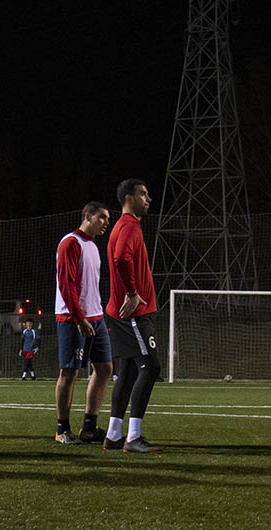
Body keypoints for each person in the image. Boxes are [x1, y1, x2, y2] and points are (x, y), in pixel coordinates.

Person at [103, 179, 161, 454]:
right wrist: (133, 292)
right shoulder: (128, 226)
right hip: (133, 313)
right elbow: (120, 259)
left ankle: (114, 435)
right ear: (128, 198)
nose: (148, 198)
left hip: (122, 312)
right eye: (143, 193)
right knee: (150, 367)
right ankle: (133, 437)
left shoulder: (128, 226)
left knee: (126, 374)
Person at [53, 201, 113, 444]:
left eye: (107, 219)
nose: (106, 223)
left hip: (96, 317)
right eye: (102, 217)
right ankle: (62, 430)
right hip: (73, 318)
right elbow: (66, 284)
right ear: (87, 216)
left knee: (105, 369)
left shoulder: (92, 246)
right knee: (69, 372)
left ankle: (89, 427)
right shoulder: (70, 243)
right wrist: (79, 317)